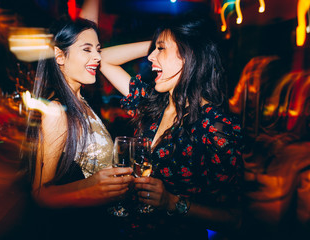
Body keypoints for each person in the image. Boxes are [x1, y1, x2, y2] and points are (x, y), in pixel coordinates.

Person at [100, 13, 244, 239]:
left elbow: (234, 219)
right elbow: (104, 59)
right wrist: (158, 40)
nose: (150, 58)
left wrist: (171, 202)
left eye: (161, 49)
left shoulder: (215, 128)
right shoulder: (151, 103)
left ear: (190, 55)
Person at [20, 16, 134, 240]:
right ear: (60, 56)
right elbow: (40, 194)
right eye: (87, 49)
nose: (98, 57)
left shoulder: (80, 101)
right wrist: (90, 187)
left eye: (98, 49)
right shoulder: (57, 112)